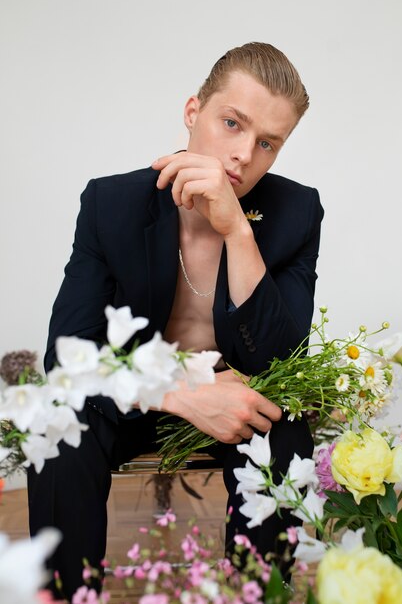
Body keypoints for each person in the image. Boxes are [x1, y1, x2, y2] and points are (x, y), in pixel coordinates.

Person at [27, 42, 324, 600]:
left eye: (267, 143)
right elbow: (68, 354)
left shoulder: (297, 212)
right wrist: (181, 392)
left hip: (240, 397)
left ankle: (260, 592)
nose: (243, 155)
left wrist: (238, 230)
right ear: (193, 112)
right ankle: (64, 594)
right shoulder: (111, 204)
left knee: (286, 432)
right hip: (135, 399)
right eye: (231, 123)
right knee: (55, 422)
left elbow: (281, 360)